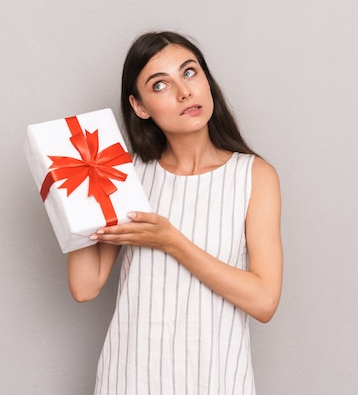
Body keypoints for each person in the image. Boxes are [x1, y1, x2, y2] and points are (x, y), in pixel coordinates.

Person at [67, 31, 283, 395]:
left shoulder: (254, 176)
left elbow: (263, 301)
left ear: (206, 80)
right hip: (129, 377)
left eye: (189, 72)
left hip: (216, 378)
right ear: (140, 107)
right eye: (160, 84)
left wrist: (172, 242)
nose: (185, 92)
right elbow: (85, 285)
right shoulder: (126, 174)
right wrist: (73, 192)